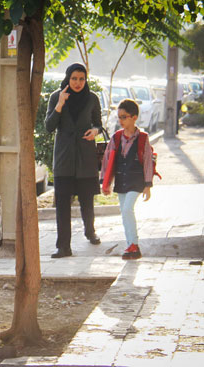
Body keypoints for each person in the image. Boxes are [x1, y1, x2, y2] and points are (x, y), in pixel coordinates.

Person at [45, 63, 102, 259]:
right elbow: (49, 126)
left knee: (87, 200)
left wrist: (95, 131)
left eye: (81, 79)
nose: (78, 83)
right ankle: (63, 247)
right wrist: (60, 104)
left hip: (85, 156)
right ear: (68, 78)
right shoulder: (56, 96)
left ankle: (90, 231)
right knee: (62, 204)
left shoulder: (92, 98)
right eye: (74, 78)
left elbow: (98, 124)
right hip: (64, 158)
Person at [101, 99, 154, 260]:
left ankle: (134, 244)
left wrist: (147, 184)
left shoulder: (143, 138)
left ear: (134, 117)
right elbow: (107, 160)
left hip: (136, 181)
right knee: (124, 213)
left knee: (127, 209)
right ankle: (130, 244)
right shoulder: (116, 138)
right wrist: (105, 181)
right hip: (121, 181)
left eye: (124, 117)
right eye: (119, 117)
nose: (121, 120)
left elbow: (147, 161)